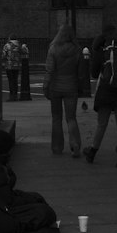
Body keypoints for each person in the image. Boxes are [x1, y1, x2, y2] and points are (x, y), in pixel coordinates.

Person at [84, 25, 117, 164]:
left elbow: (94, 73)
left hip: (106, 89)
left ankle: (93, 151)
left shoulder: (103, 49)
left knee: (102, 123)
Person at [43, 22, 86, 157]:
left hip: (55, 87)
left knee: (56, 118)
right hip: (71, 86)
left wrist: (46, 86)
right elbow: (81, 73)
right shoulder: (77, 50)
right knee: (71, 118)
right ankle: (75, 144)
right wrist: (80, 87)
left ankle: (57, 147)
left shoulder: (53, 49)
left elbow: (49, 70)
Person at [1, 36, 22, 100]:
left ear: (10, 39)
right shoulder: (19, 45)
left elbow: (3, 55)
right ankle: (15, 95)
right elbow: (22, 53)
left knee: (10, 80)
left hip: (9, 65)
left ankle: (12, 96)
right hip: (17, 65)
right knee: (15, 80)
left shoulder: (7, 45)